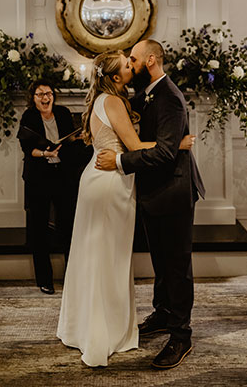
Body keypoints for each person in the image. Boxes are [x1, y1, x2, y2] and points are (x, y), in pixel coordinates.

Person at [56, 50, 194, 367]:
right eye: (125, 62)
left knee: (95, 255)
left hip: (102, 178)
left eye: (131, 58)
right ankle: (102, 331)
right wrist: (176, 144)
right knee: (107, 258)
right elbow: (133, 146)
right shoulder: (113, 101)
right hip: (110, 182)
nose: (130, 64)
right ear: (116, 77)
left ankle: (86, 325)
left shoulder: (107, 97)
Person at [96, 39, 205, 370]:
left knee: (176, 265)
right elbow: (160, 141)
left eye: (133, 59)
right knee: (160, 259)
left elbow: (164, 153)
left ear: (151, 60)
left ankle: (181, 335)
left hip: (173, 190)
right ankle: (162, 312)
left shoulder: (170, 98)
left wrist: (118, 160)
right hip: (153, 191)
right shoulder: (145, 93)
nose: (130, 64)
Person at [18, 79, 89, 295]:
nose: (45, 98)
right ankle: (45, 280)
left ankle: (72, 278)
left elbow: (72, 143)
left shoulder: (63, 113)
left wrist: (81, 139)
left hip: (62, 177)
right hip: (38, 177)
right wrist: (45, 153)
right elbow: (27, 148)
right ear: (33, 98)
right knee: (39, 230)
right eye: (40, 94)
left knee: (67, 227)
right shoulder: (29, 117)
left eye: (48, 93)